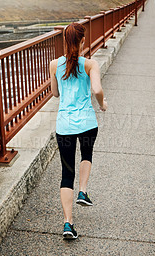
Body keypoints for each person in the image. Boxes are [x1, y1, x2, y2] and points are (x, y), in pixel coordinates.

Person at [49, 22, 107, 240]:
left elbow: (55, 93)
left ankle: (67, 224)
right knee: (87, 154)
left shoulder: (54, 64)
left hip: (64, 126)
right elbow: (97, 89)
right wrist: (102, 103)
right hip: (87, 124)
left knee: (66, 174)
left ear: (65, 41)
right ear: (83, 40)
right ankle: (83, 190)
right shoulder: (90, 64)